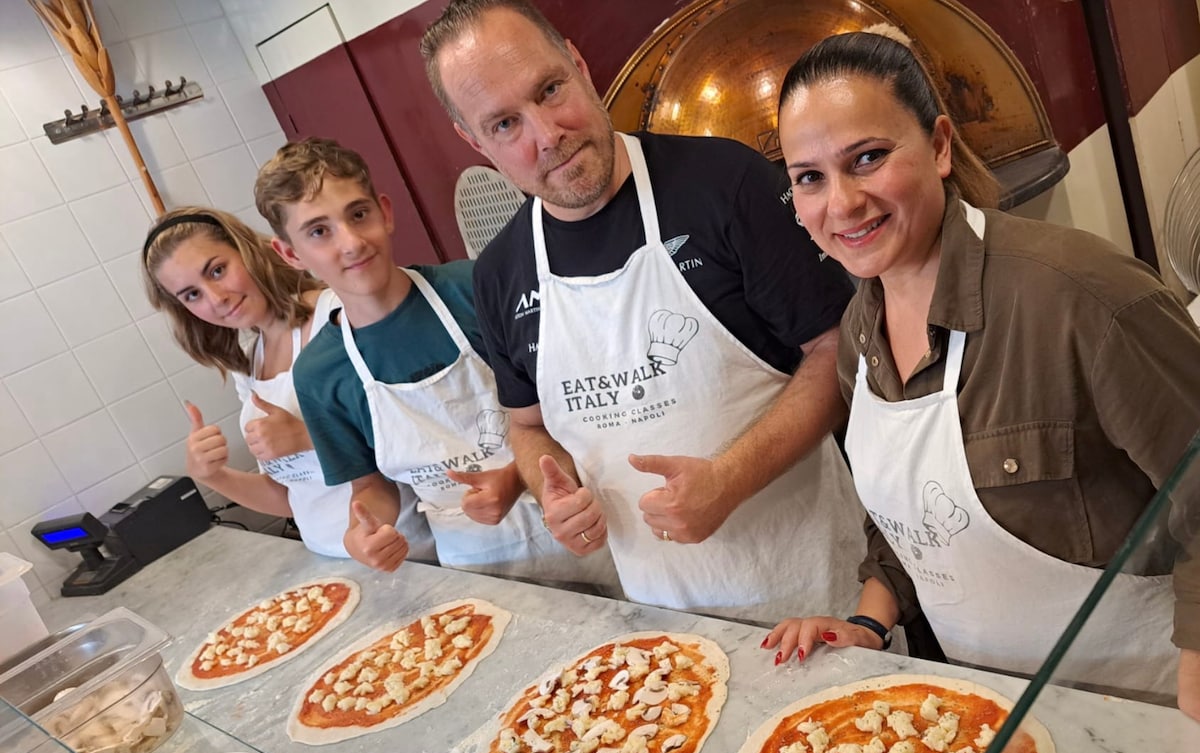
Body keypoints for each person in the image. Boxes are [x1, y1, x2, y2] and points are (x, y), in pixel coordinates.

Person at [761, 29, 1200, 718]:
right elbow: (909, 528)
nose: (840, 204)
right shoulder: (858, 339)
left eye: (868, 158)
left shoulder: (1078, 297)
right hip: (995, 715)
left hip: (1149, 707)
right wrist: (870, 623)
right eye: (808, 177)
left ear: (938, 146)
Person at [420, 0, 868, 627]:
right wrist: (551, 489)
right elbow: (527, 425)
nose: (546, 135)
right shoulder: (500, 274)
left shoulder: (723, 183)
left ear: (579, 65)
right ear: (473, 140)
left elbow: (837, 353)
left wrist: (729, 480)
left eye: (550, 89)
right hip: (660, 625)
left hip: (813, 599)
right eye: (504, 125)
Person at [253, 137, 620, 591]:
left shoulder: (475, 289)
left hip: (575, 519)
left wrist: (517, 477)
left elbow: (573, 406)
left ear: (385, 212)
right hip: (471, 564)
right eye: (318, 231)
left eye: (358, 214)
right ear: (290, 254)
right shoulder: (320, 374)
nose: (350, 242)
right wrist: (361, 532)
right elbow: (371, 487)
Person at [142, 206, 434, 561]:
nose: (215, 298)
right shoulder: (249, 364)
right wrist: (213, 476)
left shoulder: (336, 314)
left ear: (246, 251)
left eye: (218, 270)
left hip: (407, 552)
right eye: (192, 295)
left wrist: (307, 436)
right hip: (330, 563)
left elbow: (422, 427)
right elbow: (293, 497)